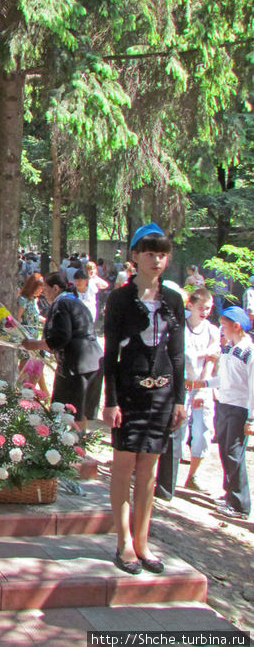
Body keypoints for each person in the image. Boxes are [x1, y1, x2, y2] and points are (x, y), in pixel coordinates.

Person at [102, 223, 185, 574]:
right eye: (149, 252)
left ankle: (143, 541)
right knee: (123, 466)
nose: (157, 259)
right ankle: (123, 544)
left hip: (163, 392)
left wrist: (179, 398)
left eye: (162, 253)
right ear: (135, 256)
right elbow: (109, 354)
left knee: (149, 470)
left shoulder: (174, 299)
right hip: (129, 389)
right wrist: (110, 400)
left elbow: (178, 353)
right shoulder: (120, 298)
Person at [23, 271, 103, 426]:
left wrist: (35, 344)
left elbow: (61, 337)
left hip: (77, 364)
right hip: (93, 362)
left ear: (55, 288)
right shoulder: (74, 301)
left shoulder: (61, 303)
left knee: (71, 413)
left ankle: (72, 447)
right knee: (80, 413)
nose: (45, 294)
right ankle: (77, 445)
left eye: (46, 290)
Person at [203, 306, 254, 519]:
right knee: (224, 450)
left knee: (234, 453)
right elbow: (224, 379)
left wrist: (251, 418)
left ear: (236, 326)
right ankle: (229, 494)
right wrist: (203, 383)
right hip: (224, 403)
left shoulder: (249, 352)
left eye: (224, 326)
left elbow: (253, 386)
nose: (221, 329)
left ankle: (241, 505)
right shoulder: (228, 348)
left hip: (240, 408)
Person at [180, 287, 220, 492]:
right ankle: (166, 472)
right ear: (191, 306)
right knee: (178, 427)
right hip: (182, 384)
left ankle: (193, 475)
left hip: (201, 385)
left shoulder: (212, 330)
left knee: (203, 430)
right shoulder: (182, 327)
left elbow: (211, 360)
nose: (205, 312)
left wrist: (203, 387)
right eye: (201, 308)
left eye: (208, 308)